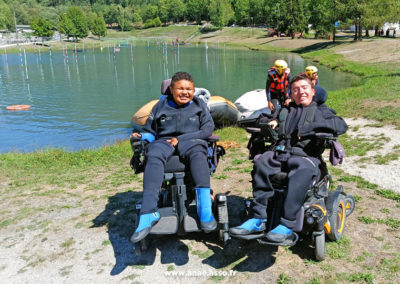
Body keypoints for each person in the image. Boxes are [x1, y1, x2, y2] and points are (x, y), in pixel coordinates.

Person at [229, 75, 348, 242]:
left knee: (302, 170)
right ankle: (258, 219)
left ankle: (287, 224)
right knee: (262, 162)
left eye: (304, 88)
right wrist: (270, 122)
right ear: (291, 94)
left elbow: (341, 125)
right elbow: (262, 118)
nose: (300, 92)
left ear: (313, 91)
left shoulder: (322, 111)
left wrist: (310, 128)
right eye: (295, 89)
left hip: (306, 156)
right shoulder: (285, 110)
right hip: (280, 152)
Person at [130, 72, 217, 243]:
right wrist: (142, 137)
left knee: (199, 154)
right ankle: (149, 213)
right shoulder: (160, 106)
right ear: (171, 89)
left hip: (192, 142)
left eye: (189, 89)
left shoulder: (200, 106)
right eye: (180, 89)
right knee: (153, 153)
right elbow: (151, 132)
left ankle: (204, 210)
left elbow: (207, 131)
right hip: (164, 142)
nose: (185, 92)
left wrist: (181, 139)